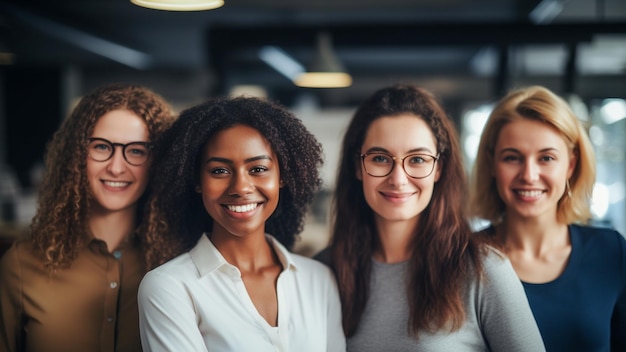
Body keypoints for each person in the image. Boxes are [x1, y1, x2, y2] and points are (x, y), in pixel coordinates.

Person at [315, 84, 545, 351]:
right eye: (380, 158)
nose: (398, 179)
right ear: (358, 166)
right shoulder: (323, 271)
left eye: (417, 160)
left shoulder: (483, 270)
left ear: (439, 168)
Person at [137, 95, 346, 351]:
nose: (240, 187)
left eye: (258, 169)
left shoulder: (319, 280)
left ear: (282, 175)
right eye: (220, 171)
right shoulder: (169, 287)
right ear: (196, 181)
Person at [0, 83, 177, 352]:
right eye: (102, 147)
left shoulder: (180, 261)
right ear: (77, 155)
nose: (117, 167)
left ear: (159, 162)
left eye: (137, 151)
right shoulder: (21, 265)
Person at [469, 85, 626, 352]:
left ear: (571, 165)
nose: (529, 175)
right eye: (512, 158)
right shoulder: (464, 258)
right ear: (492, 163)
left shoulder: (611, 252)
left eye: (546, 158)